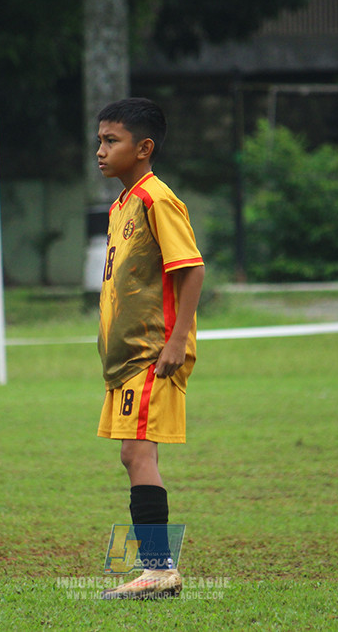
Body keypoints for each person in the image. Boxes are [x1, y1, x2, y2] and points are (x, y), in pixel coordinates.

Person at [93, 98, 205, 599]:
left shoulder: (158, 198)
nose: (99, 150)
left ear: (144, 148)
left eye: (110, 141)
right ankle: (155, 568)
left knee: (138, 453)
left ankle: (158, 570)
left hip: (152, 354)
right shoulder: (122, 203)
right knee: (132, 455)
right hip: (125, 360)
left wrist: (177, 341)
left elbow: (192, 268)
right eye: (99, 140)